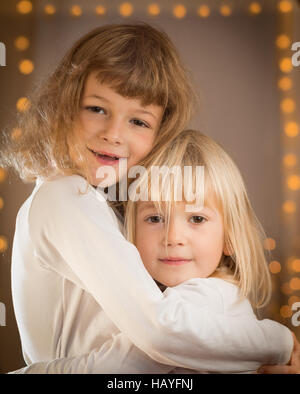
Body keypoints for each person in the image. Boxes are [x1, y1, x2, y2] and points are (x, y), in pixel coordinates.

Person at [0, 23, 296, 374]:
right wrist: (280, 342)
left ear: (160, 132)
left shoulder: (104, 200)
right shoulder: (66, 196)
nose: (113, 134)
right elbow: (160, 332)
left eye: (138, 121)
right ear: (63, 105)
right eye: (96, 109)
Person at [8, 130, 298, 374]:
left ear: (230, 238)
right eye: (155, 218)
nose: (172, 237)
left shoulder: (203, 299)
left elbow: (106, 370)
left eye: (196, 219)